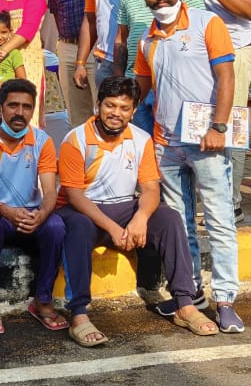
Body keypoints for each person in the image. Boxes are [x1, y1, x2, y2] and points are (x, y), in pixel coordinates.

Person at [57, 76, 216, 345]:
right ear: (98, 105)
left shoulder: (141, 139)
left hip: (124, 206)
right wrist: (113, 228)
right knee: (79, 226)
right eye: (110, 106)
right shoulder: (76, 139)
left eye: (124, 108)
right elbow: (74, 194)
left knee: (169, 218)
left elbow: (151, 189)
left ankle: (184, 304)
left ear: (133, 110)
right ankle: (79, 314)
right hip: (84, 210)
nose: (115, 114)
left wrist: (140, 218)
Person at [133, 0, 243, 333]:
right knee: (180, 226)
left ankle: (225, 299)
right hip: (166, 145)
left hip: (206, 141)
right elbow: (141, 88)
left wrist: (219, 127)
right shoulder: (147, 39)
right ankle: (191, 293)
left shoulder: (206, 23)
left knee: (219, 220)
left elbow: (226, 76)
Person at [0, 79, 66, 335]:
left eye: (26, 106)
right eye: (13, 105)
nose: (19, 112)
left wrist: (42, 214)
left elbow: (49, 190)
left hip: (30, 215)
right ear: (0, 108)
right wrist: (7, 211)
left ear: (33, 110)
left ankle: (43, 300)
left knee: (55, 225)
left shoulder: (42, 141)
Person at [183, 0, 251, 223]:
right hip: (206, 53)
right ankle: (215, 195)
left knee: (231, 123)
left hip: (236, 51)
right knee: (206, 122)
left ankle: (232, 203)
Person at [116, 0, 207, 132]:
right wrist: (120, 81)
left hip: (176, 83)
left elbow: (200, 31)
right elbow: (121, 39)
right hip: (137, 82)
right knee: (145, 150)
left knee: (181, 149)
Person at [45, 0, 103, 126]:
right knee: (76, 110)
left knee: (105, 105)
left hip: (98, 46)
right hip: (68, 47)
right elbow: (56, 13)